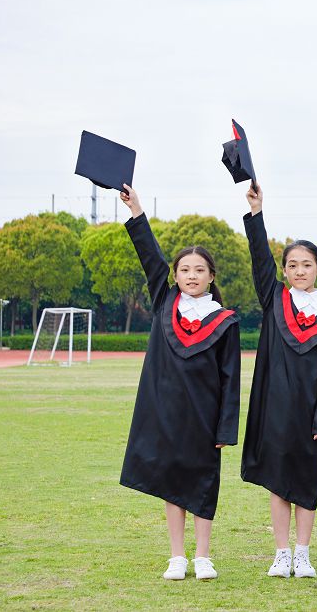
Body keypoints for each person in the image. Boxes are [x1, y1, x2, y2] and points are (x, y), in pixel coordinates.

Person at [118, 184, 240, 582]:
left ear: (211, 276)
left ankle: (203, 555)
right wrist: (136, 209)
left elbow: (230, 378)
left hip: (204, 417)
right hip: (166, 413)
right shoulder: (164, 302)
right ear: (175, 275)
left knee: (203, 482)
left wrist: (225, 427)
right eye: (184, 270)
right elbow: (148, 253)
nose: (191, 275)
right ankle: (177, 556)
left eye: (199, 270)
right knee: (173, 483)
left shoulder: (224, 320)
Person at [240, 183, 317, 579]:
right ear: (284, 271)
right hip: (276, 411)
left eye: (307, 264)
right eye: (292, 265)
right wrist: (256, 212)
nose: (299, 271)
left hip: (311, 415)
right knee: (278, 482)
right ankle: (281, 552)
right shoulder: (275, 300)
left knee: (307, 482)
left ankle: (303, 553)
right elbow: (259, 259)